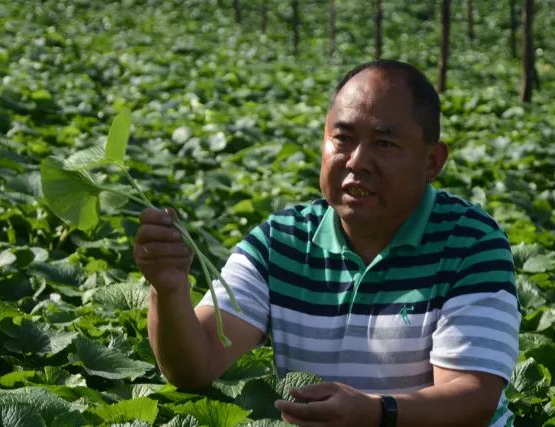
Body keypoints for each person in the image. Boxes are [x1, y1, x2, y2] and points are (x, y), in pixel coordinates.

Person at [134, 60, 521, 427]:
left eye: (384, 144)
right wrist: (167, 289)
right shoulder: (280, 242)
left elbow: (473, 399)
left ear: (432, 161)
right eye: (343, 139)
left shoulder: (470, 243)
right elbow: (194, 365)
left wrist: (374, 414)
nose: (357, 161)